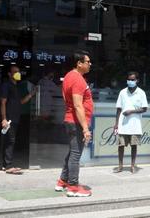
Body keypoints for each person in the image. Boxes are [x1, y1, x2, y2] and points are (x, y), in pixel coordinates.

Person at [55, 50, 94, 197]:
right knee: (76, 154)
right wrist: (85, 128)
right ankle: (73, 187)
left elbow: (67, 100)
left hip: (71, 119)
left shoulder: (68, 77)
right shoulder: (77, 79)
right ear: (79, 63)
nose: (90, 64)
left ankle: (62, 181)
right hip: (76, 122)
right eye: (87, 61)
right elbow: (78, 105)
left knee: (72, 152)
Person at [0, 65, 37, 174]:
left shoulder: (16, 86)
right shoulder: (7, 85)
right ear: (9, 74)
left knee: (10, 140)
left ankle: (5, 165)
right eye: (15, 72)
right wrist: (4, 118)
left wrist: (31, 95)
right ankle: (8, 166)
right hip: (9, 118)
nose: (18, 74)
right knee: (10, 140)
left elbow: (20, 102)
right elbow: (3, 102)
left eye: (18, 72)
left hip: (15, 118)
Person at [113, 71, 148, 173]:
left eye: (132, 80)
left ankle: (133, 165)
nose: (130, 81)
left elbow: (144, 109)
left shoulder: (141, 93)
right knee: (121, 146)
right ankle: (120, 165)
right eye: (128, 80)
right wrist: (116, 124)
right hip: (123, 124)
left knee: (134, 145)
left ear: (137, 80)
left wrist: (131, 111)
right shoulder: (122, 92)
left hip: (135, 125)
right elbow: (118, 109)